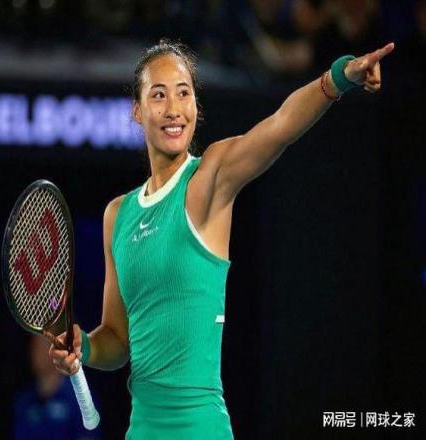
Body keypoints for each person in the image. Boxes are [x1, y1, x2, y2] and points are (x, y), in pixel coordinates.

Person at [49, 38, 395, 438]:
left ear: (196, 106)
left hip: (202, 427)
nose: (173, 109)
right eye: (158, 95)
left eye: (184, 93)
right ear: (137, 111)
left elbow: (280, 126)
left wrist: (340, 77)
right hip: (141, 429)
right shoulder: (117, 215)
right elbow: (117, 339)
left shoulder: (209, 178)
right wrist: (85, 346)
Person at [14, 335, 100, 440]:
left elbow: (88, 436)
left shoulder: (79, 396)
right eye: (34, 347)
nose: (37, 353)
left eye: (42, 348)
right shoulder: (24, 401)